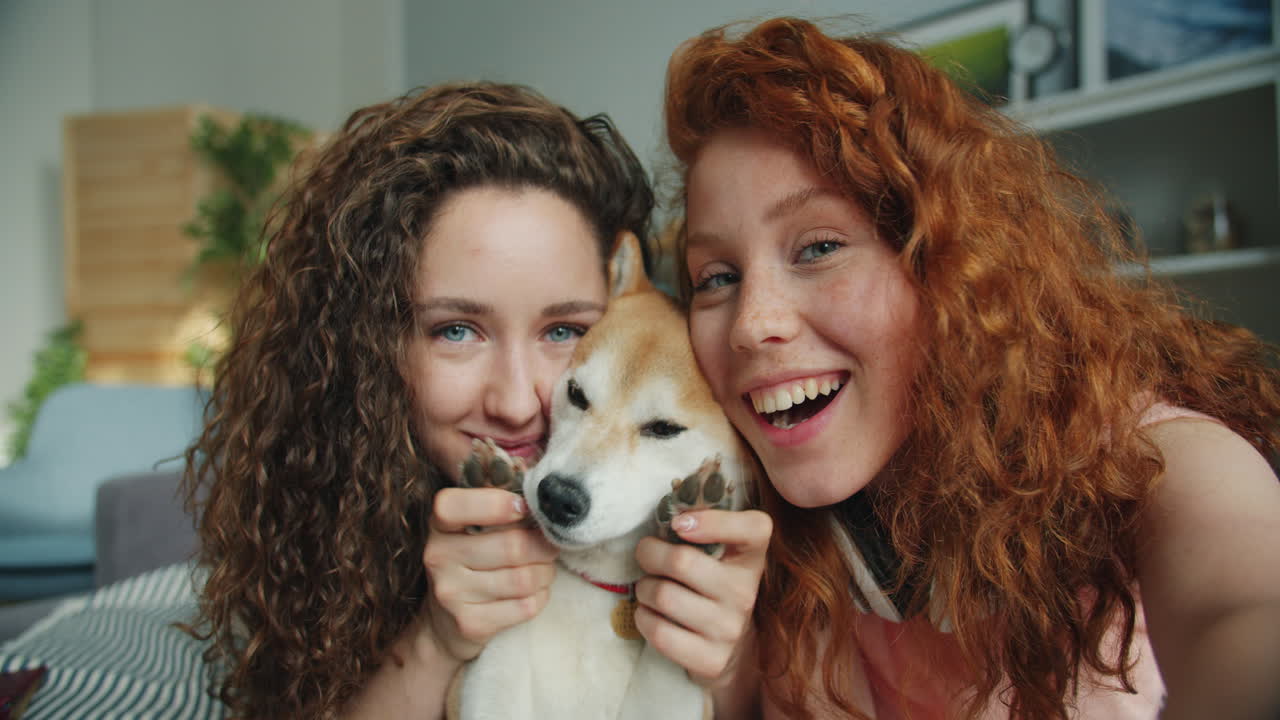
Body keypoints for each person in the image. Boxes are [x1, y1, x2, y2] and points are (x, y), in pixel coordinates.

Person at [662, 16, 1280, 720]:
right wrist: (725, 669)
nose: (750, 323)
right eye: (715, 277)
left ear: (948, 268)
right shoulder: (744, 516)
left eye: (818, 247)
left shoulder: (1138, 458)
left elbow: (1241, 606)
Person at [182, 82, 668, 719]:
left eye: (564, 331)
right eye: (457, 331)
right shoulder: (326, 531)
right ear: (369, 345)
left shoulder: (695, 505)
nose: (519, 403)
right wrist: (437, 639)